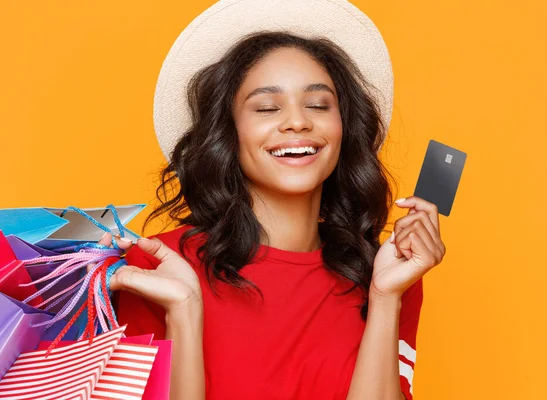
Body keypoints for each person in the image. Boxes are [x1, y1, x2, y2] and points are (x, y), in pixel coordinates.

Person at [106, 1, 446, 399]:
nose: (298, 121)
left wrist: (386, 298)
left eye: (319, 105)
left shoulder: (387, 275)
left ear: (344, 129)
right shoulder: (157, 270)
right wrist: (183, 315)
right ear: (227, 135)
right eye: (267, 107)